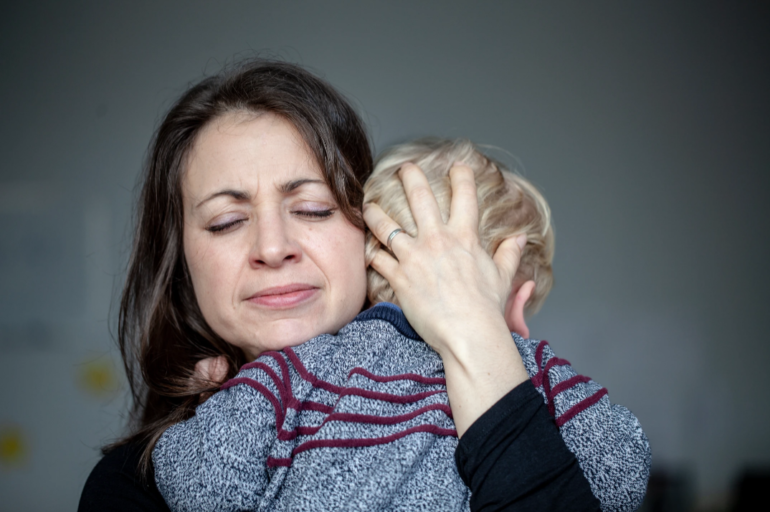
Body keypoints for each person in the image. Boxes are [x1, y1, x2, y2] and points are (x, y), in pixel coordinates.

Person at [78, 59, 641, 512]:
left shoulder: (522, 382)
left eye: (314, 209)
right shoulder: (136, 487)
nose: (273, 247)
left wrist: (479, 341)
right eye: (226, 221)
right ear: (180, 262)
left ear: (371, 233)